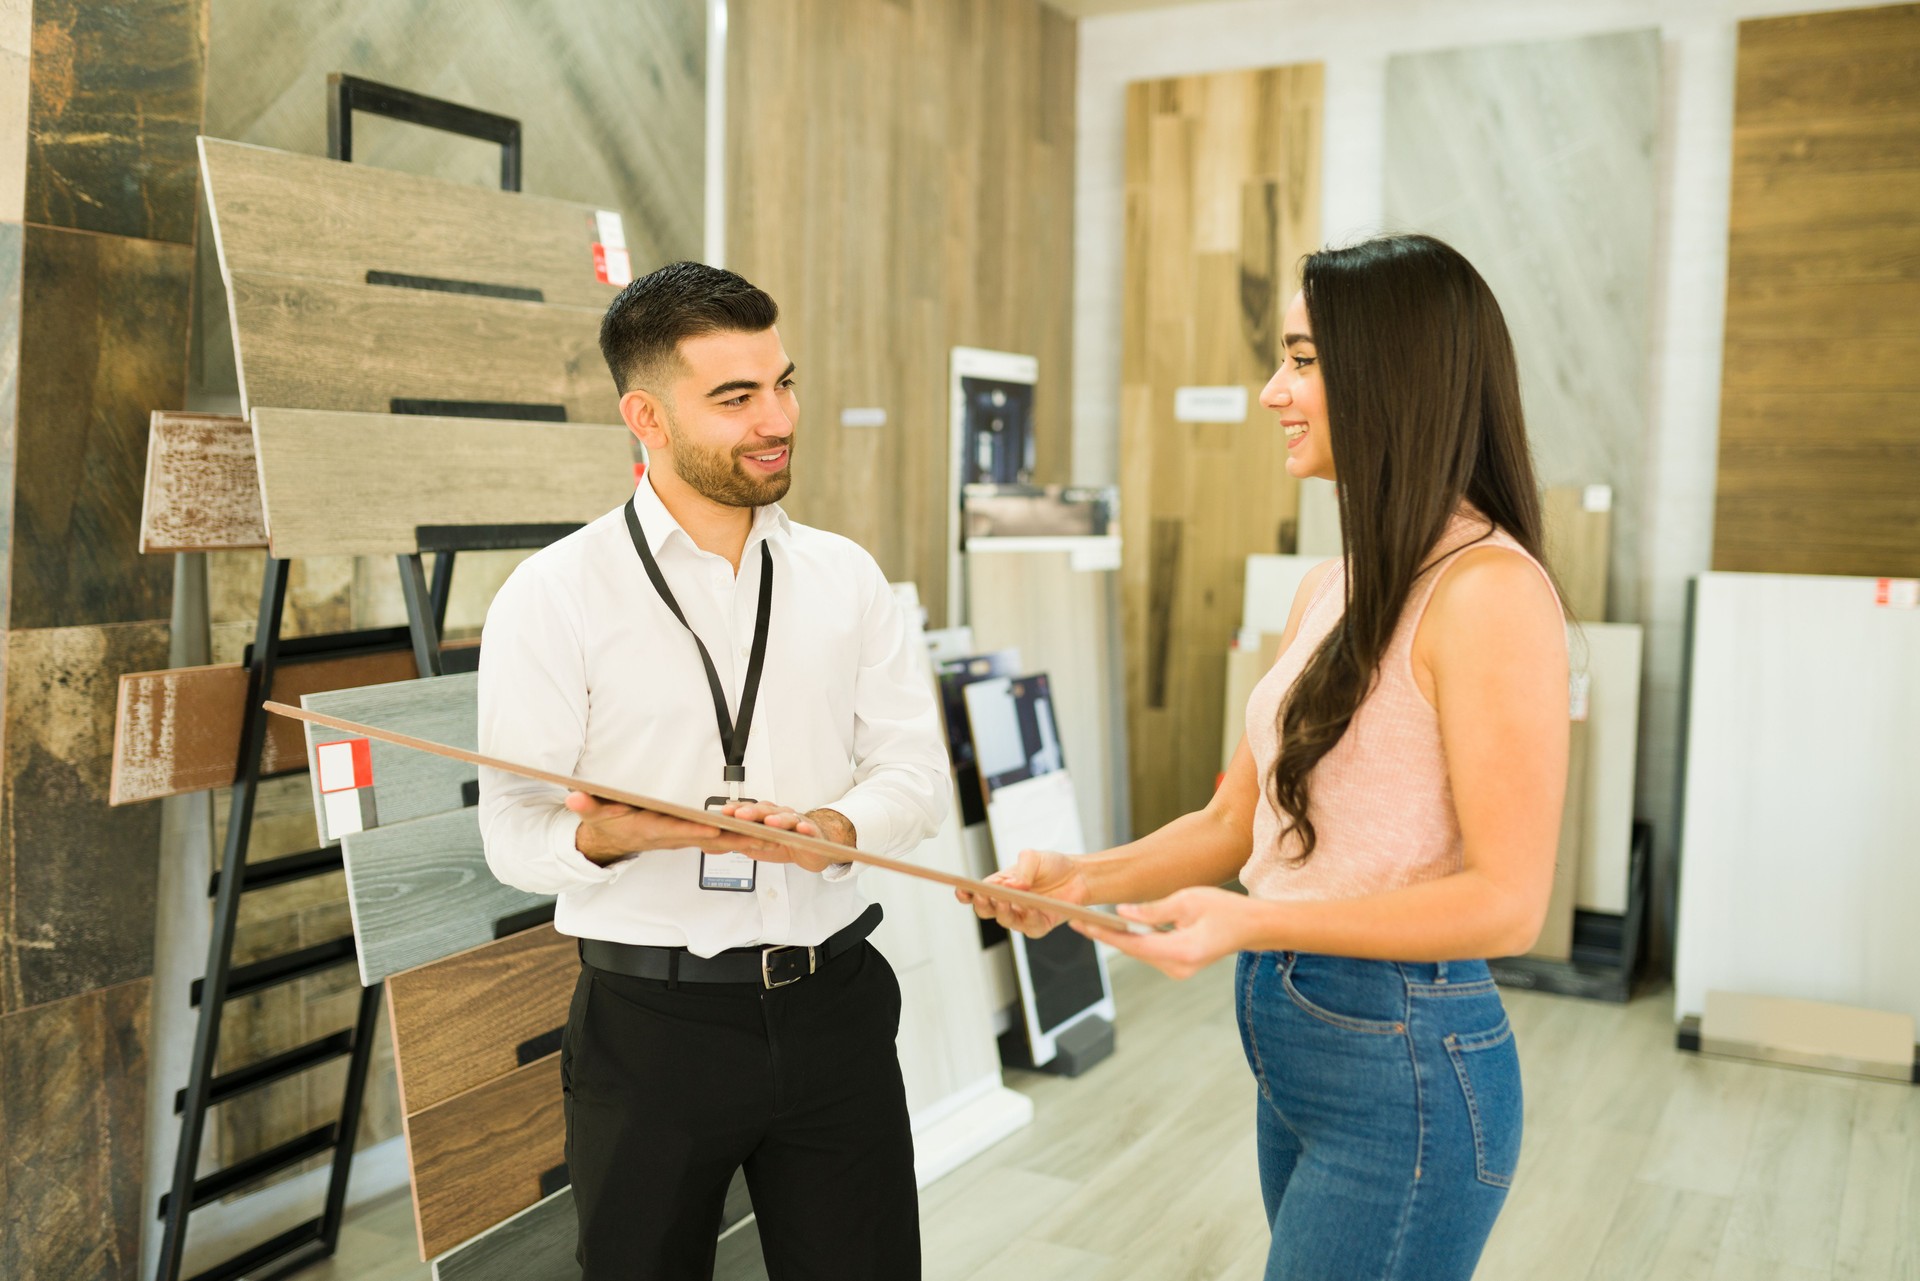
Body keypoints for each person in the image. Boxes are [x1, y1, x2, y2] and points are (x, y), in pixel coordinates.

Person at [962, 234, 1569, 1281]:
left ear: (1390, 374)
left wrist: (1253, 917)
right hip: (1301, 1049)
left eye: (1301, 358)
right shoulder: (1333, 583)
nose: (1269, 391)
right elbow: (1233, 825)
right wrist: (1078, 883)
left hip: (1407, 1067)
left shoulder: (1491, 594)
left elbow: (1510, 904)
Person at [478, 260, 948, 1281]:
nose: (776, 417)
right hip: (651, 1031)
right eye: (735, 398)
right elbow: (512, 834)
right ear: (644, 416)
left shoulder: (845, 579)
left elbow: (914, 772)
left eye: (783, 383)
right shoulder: (553, 596)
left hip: (838, 1010)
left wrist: (833, 829)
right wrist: (615, 834)